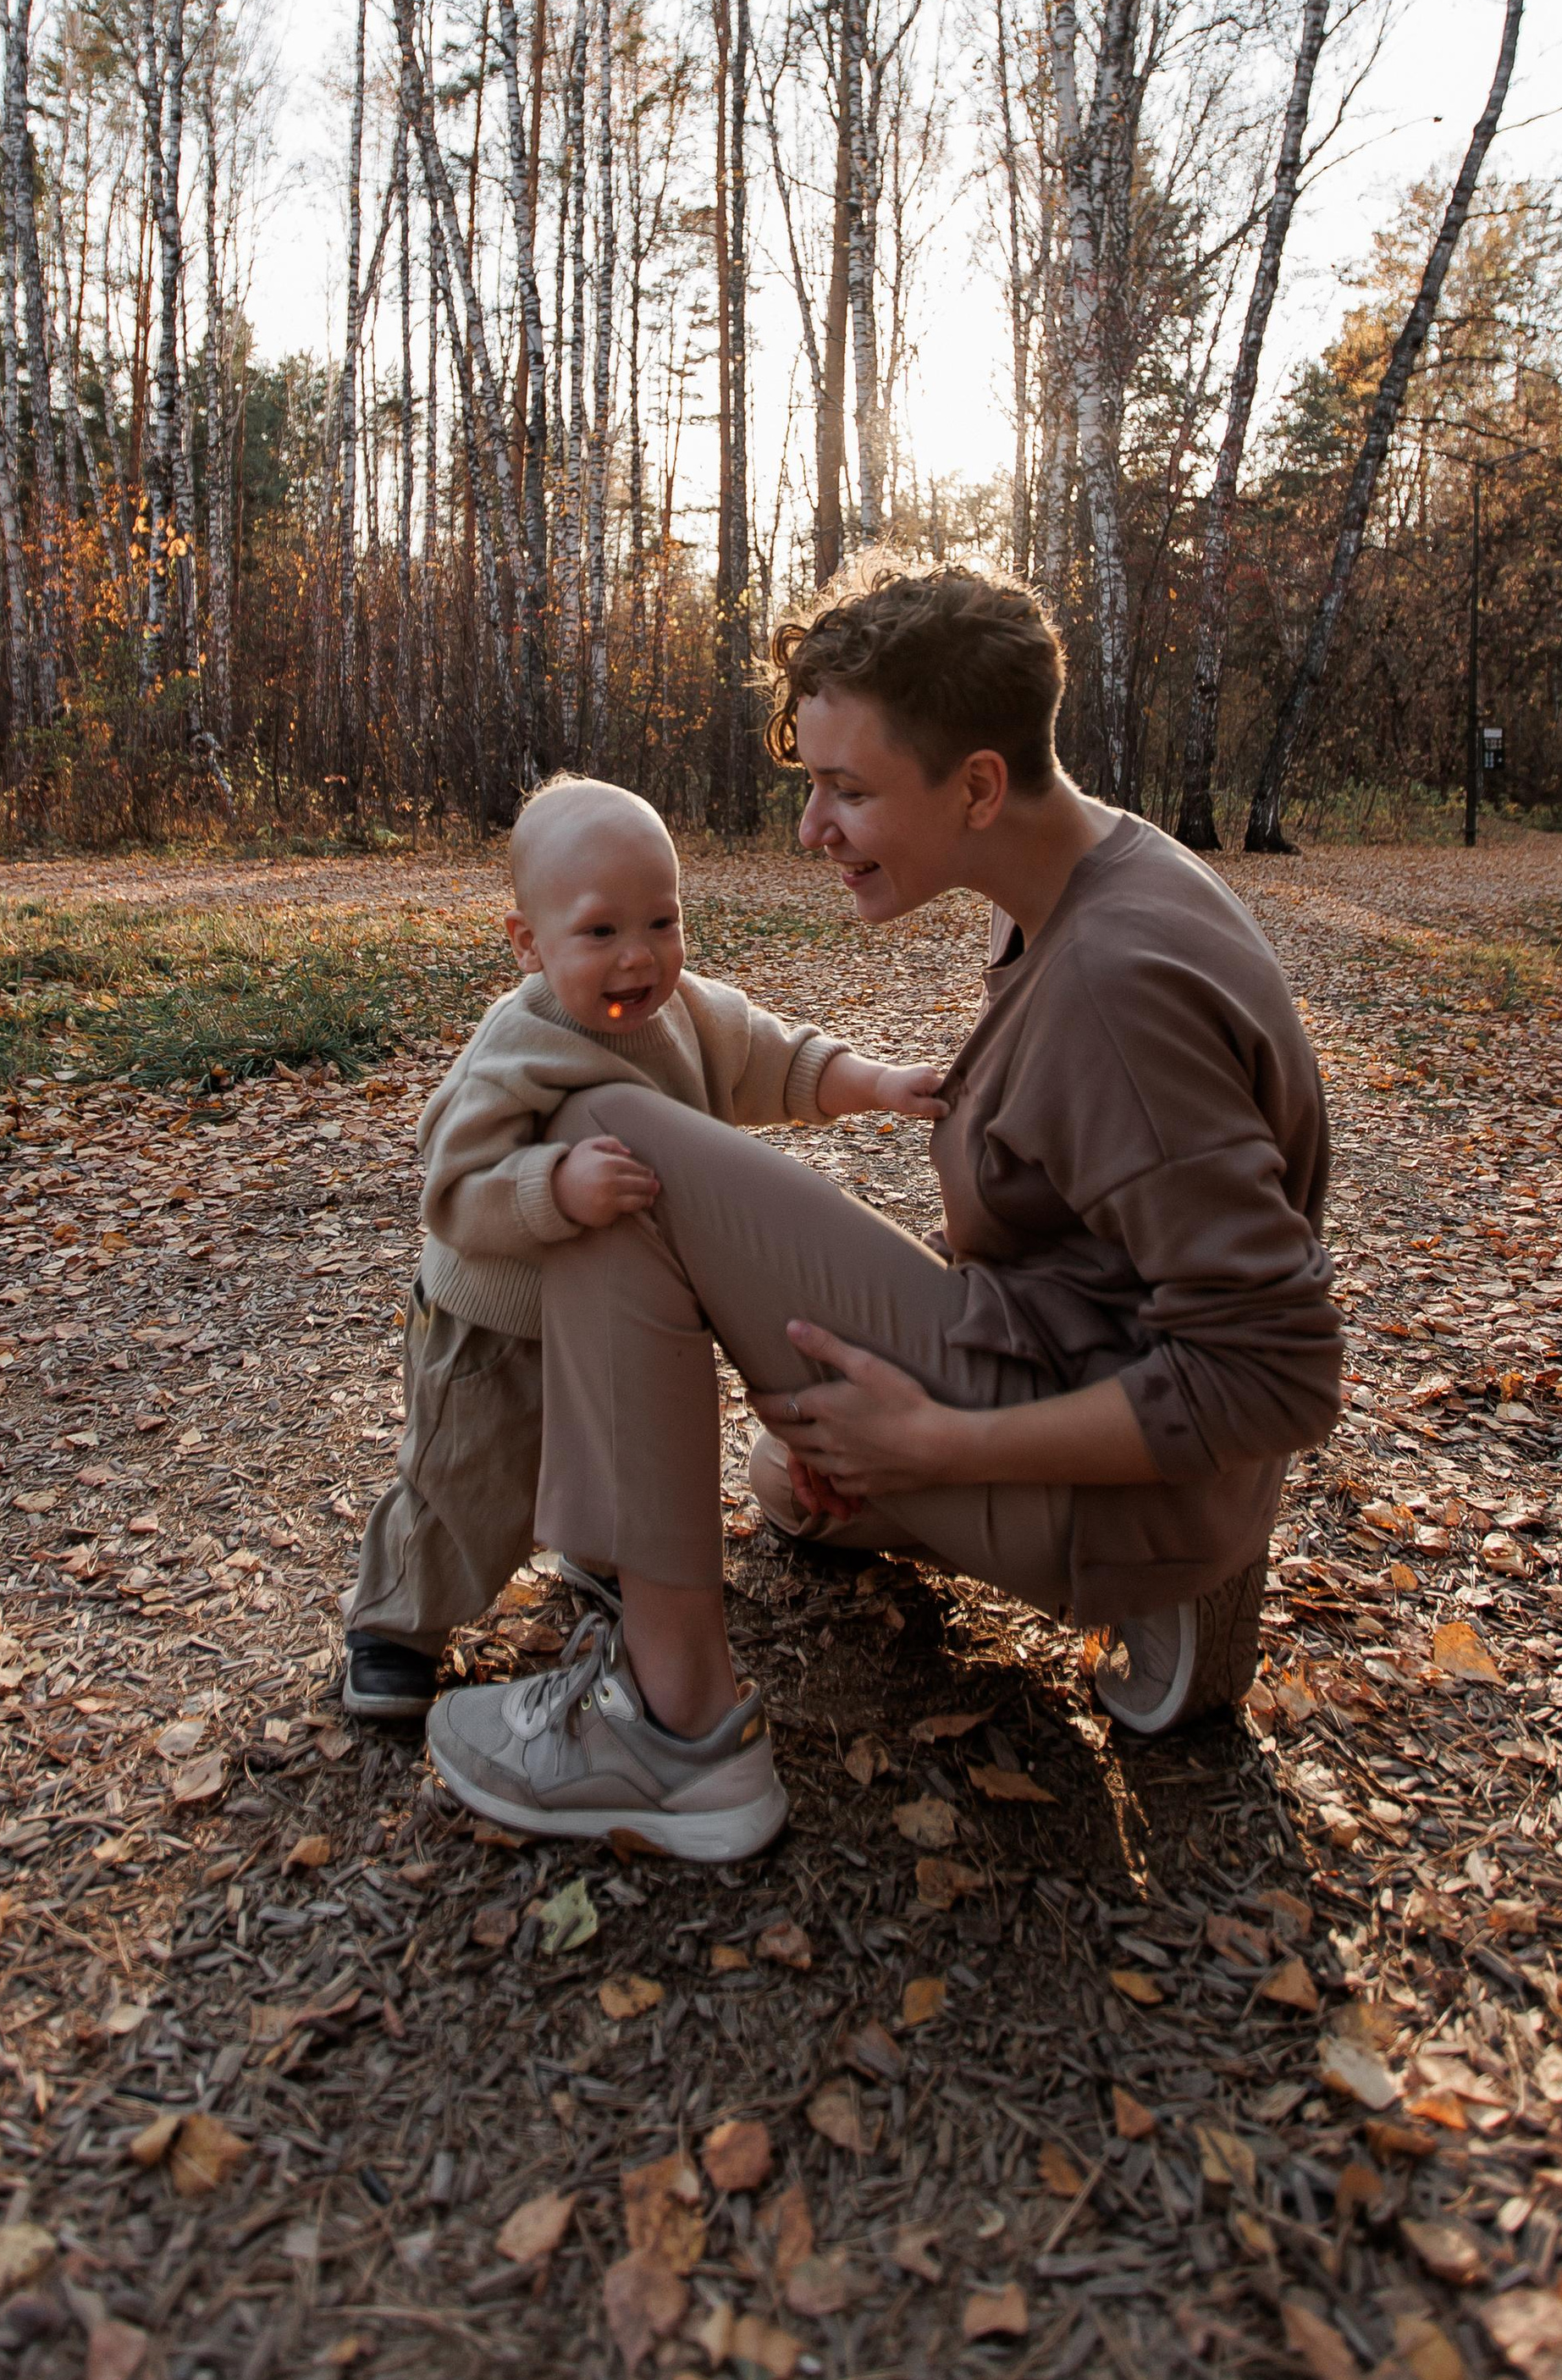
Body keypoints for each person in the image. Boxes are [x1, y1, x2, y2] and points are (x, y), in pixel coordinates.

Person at [425, 564, 1342, 1861]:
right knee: (783, 1492)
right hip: (1076, 1367)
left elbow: (1278, 1372)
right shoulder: (1111, 866)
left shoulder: (1113, 992)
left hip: (1091, 1442)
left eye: (847, 791)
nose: (814, 829)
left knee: (600, 1137)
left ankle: (675, 1734)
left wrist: (935, 1448)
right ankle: (1174, 1569)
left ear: (976, 784)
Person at [340, 773, 944, 1723]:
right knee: (468, 1483)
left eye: (661, 923)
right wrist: (554, 1187)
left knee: (624, 1441)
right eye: (599, 932)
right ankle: (392, 1626)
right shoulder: (518, 1043)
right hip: (492, 1326)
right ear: (528, 944)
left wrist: (873, 1082)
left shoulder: (686, 1013)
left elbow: (773, 1060)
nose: (639, 958)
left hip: (605, 1316)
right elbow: (452, 1193)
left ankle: (605, 1551)